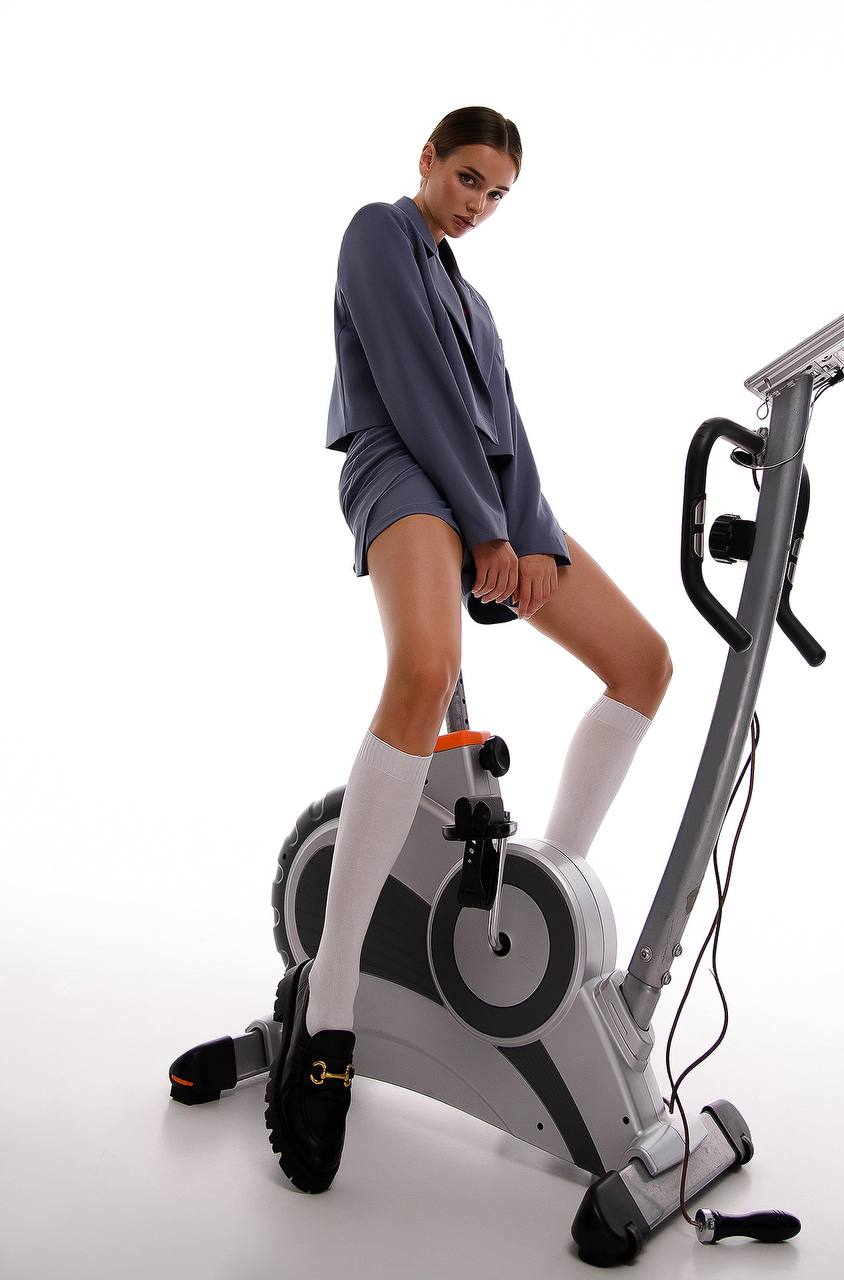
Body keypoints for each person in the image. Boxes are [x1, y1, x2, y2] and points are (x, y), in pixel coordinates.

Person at [264, 106, 673, 1195]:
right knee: (420, 669)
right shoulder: (377, 233)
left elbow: (508, 427)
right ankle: (330, 1007)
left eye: (498, 195)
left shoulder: (476, 301)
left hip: (487, 500)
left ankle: (520, 915)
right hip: (401, 470)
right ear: (429, 160)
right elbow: (414, 388)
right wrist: (487, 530)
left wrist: (527, 534)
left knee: (642, 662)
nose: (479, 205)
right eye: (468, 180)